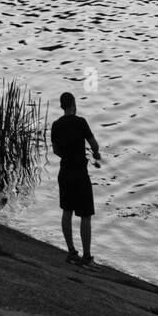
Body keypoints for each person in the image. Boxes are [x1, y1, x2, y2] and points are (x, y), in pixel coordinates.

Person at [51, 92, 101, 265]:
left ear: (61, 106)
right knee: (85, 214)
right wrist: (95, 152)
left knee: (67, 211)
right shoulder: (81, 122)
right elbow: (94, 144)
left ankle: (71, 251)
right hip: (80, 173)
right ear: (73, 104)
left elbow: (56, 151)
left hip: (64, 172)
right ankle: (87, 256)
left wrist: (67, 153)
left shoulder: (56, 125)